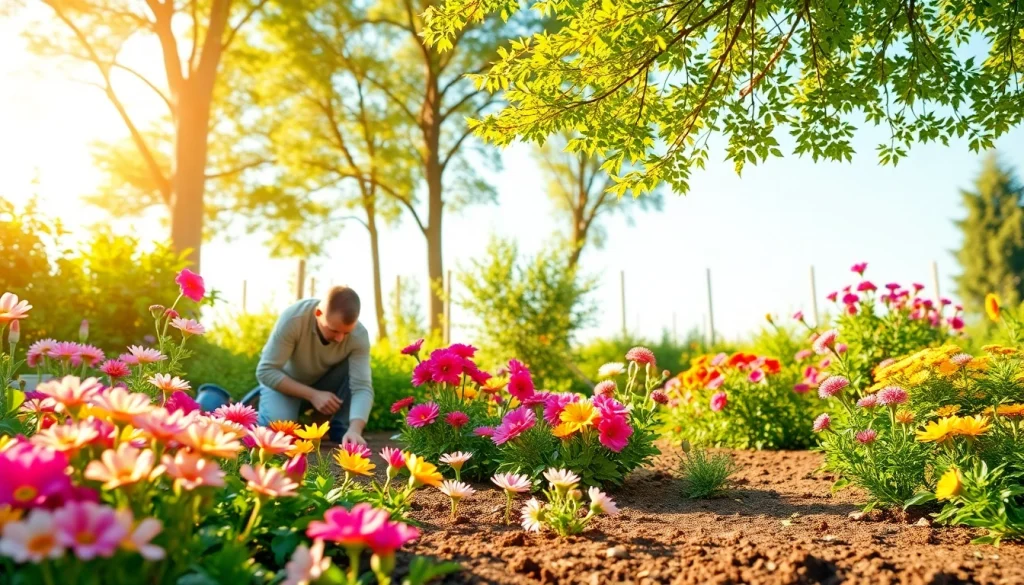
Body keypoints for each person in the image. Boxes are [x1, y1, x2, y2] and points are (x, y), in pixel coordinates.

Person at [255, 286, 373, 446]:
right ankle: (256, 401)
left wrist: (355, 429)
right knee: (279, 434)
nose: (339, 339)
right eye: (334, 330)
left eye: (346, 333)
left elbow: (362, 387)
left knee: (353, 369)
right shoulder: (293, 318)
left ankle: (337, 427)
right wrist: (313, 395)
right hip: (286, 384)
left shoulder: (359, 336)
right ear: (318, 314)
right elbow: (265, 371)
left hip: (325, 381)